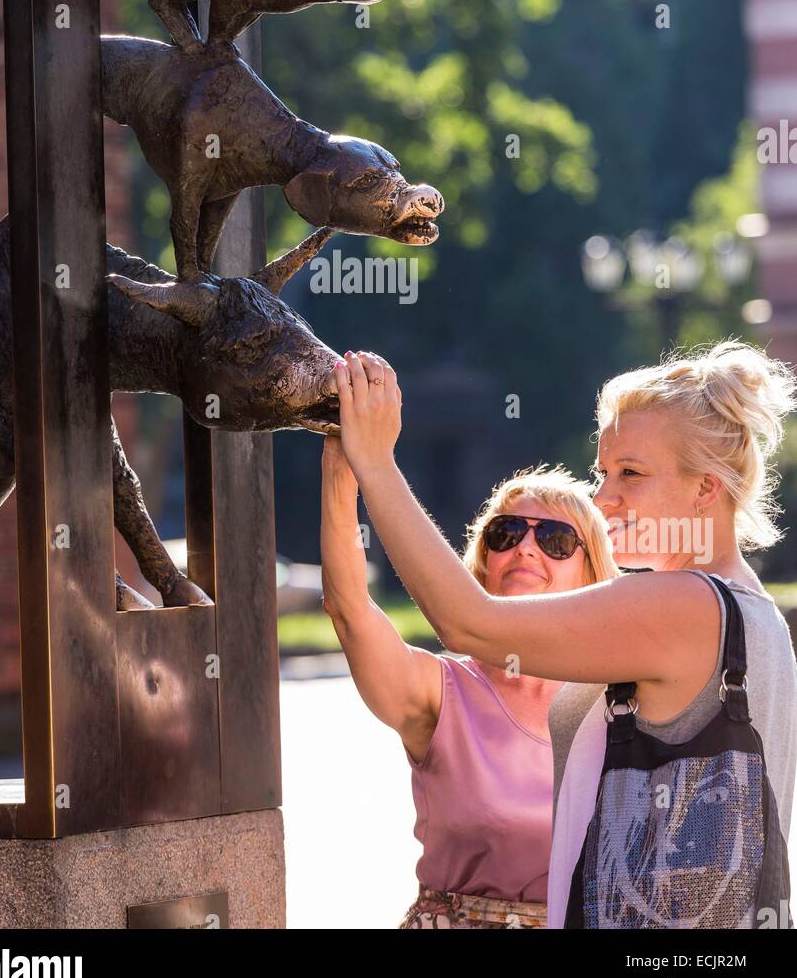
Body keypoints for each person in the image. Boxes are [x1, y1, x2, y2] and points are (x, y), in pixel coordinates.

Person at [329, 340, 797, 929]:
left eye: (631, 473)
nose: (602, 498)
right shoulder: (756, 615)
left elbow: (468, 622)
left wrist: (374, 462)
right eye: (603, 472)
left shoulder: (683, 603)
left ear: (706, 489)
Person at [321, 440, 618, 928]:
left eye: (556, 540)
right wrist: (341, 459)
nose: (524, 546)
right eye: (506, 533)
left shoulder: (624, 703)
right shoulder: (442, 692)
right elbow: (349, 608)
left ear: (591, 575)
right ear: (483, 563)